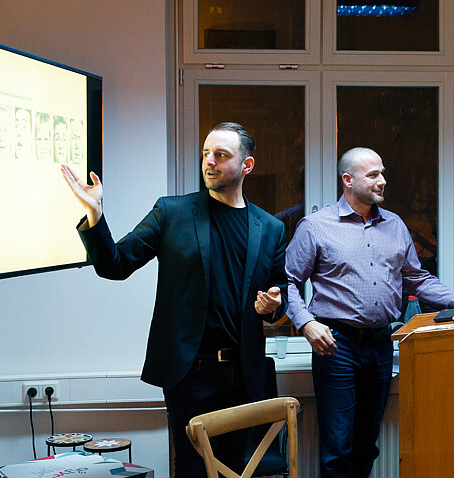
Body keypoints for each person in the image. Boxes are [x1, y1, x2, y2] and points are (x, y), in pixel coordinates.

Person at [61, 122, 288, 477]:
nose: (209, 161)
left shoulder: (270, 228)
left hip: (244, 374)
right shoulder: (172, 213)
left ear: (247, 165)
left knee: (235, 470)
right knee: (193, 469)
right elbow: (115, 265)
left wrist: (274, 305)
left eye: (221, 155)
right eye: (206, 153)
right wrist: (95, 215)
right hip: (189, 372)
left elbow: (279, 292)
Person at [286, 147, 454, 478]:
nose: (383, 181)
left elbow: (417, 280)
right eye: (373, 175)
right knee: (337, 448)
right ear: (348, 180)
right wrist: (306, 323)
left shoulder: (395, 225)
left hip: (381, 345)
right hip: (337, 346)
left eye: (383, 173)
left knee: (367, 444)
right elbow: (289, 282)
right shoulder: (315, 227)